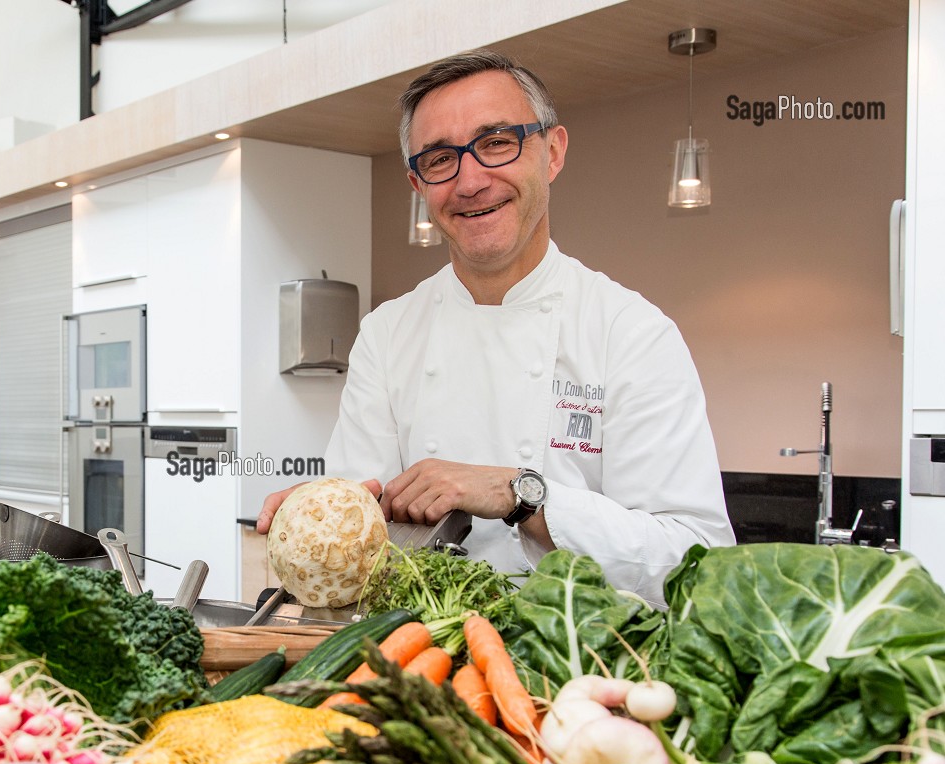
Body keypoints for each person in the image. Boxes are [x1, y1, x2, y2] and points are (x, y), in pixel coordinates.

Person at [256, 48, 734, 606]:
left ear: (552, 153)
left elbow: (695, 562)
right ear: (418, 185)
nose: (470, 180)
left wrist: (520, 496)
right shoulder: (387, 334)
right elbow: (369, 539)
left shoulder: (632, 333)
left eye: (497, 142)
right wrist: (322, 524)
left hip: (581, 652)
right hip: (419, 649)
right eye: (440, 159)